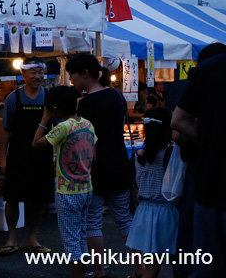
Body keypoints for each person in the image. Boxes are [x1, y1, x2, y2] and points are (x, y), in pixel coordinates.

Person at [66, 53, 141, 278]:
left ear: (85, 74)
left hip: (96, 166)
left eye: (73, 75)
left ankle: (99, 271)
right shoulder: (116, 95)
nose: (71, 80)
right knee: (124, 219)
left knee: (93, 222)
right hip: (119, 161)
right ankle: (141, 269)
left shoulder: (87, 103)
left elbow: (87, 139)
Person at [171, 46, 226, 278]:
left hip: (209, 182)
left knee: (207, 264)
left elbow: (178, 124)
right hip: (207, 182)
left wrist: (210, 139)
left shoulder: (208, 70)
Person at [32, 86, 96, 278]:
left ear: (54, 108)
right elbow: (94, 156)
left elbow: (36, 143)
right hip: (86, 187)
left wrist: (44, 118)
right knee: (81, 237)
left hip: (67, 192)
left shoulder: (63, 127)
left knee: (71, 242)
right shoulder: (88, 124)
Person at [0, 57, 54, 254]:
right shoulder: (14, 98)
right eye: (34, 72)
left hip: (43, 156)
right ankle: (12, 237)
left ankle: (32, 237)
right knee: (12, 198)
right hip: (17, 155)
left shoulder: (49, 97)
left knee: (38, 199)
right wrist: (2, 158)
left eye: (41, 72)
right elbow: (5, 131)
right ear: (23, 75)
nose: (39, 76)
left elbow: (57, 127)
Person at [126, 107, 179, 278]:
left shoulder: (138, 154)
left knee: (151, 266)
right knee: (178, 263)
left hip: (145, 211)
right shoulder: (170, 154)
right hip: (167, 211)